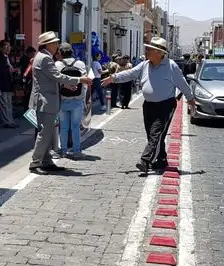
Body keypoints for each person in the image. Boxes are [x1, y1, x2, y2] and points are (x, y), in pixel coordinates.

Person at [102, 37, 195, 176]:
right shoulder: (145, 65)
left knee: (155, 134)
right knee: (152, 135)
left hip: (165, 105)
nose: (146, 51)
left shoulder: (171, 66)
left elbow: (182, 84)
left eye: (150, 49)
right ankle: (162, 159)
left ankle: (145, 160)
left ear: (159, 52)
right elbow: (130, 74)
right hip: (148, 105)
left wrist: (191, 99)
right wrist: (113, 78)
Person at [28, 32, 93, 173]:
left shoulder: (44, 57)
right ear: (48, 44)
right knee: (45, 133)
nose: (57, 45)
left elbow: (51, 79)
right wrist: (79, 80)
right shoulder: (45, 58)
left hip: (47, 101)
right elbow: (57, 76)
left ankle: (45, 161)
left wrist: (66, 85)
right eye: (55, 42)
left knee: (49, 133)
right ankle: (36, 162)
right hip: (46, 102)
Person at [56, 43, 87, 159]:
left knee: (63, 127)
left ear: (60, 53)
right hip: (77, 100)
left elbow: (56, 82)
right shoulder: (80, 64)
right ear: (72, 52)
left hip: (63, 100)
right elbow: (85, 81)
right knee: (75, 127)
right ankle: (77, 151)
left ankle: (63, 151)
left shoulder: (57, 64)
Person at [0, 40, 19, 128]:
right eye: (5, 46)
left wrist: (15, 70)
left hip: (9, 84)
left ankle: (10, 120)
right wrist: (9, 70)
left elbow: (10, 67)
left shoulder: (8, 57)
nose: (8, 48)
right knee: (4, 103)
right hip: (3, 83)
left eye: (9, 46)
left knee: (8, 103)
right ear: (0, 47)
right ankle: (6, 121)